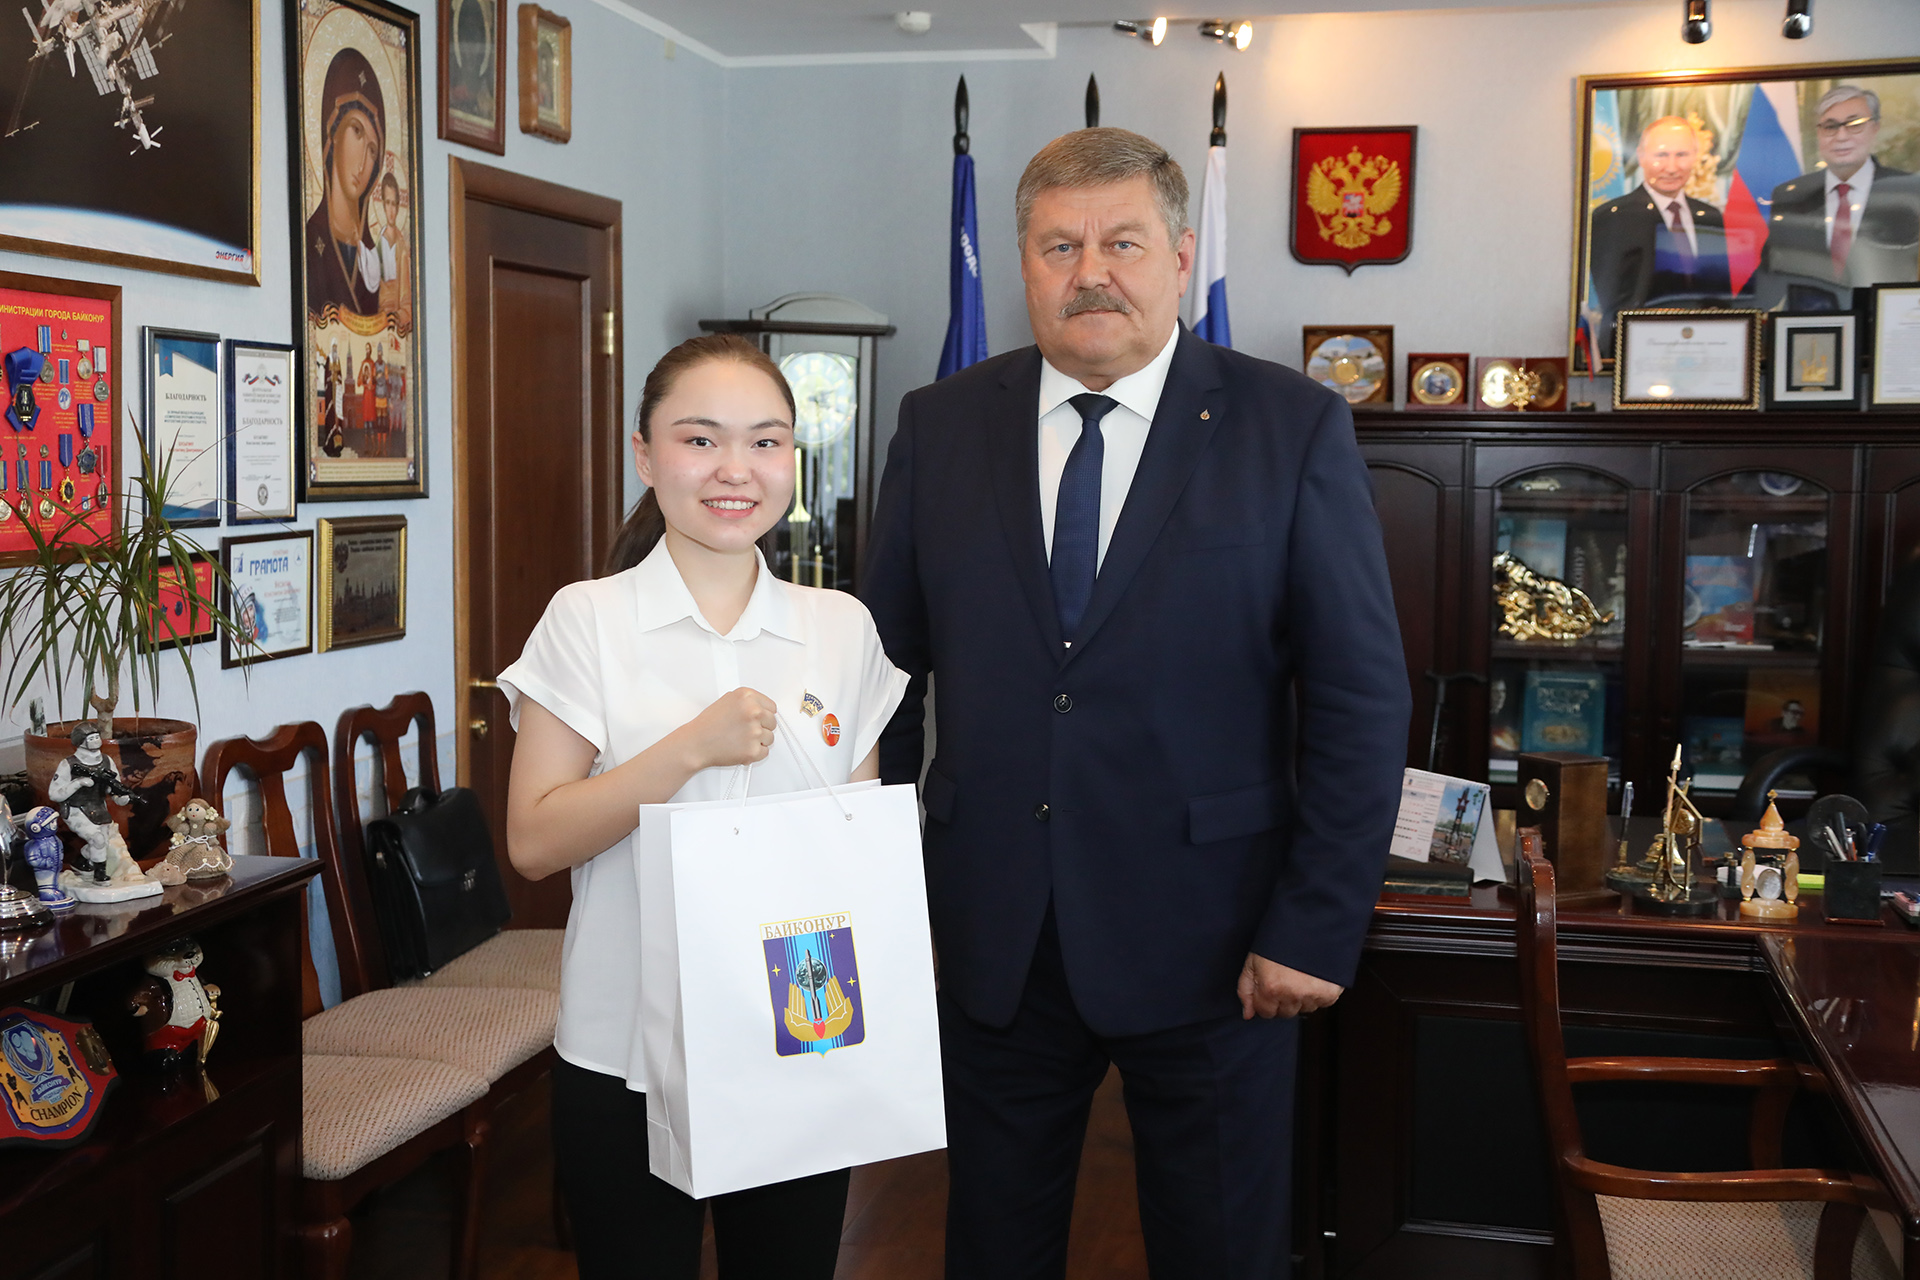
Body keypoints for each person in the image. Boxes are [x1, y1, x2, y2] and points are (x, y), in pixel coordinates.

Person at [860, 128, 1410, 1280]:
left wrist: (1314, 923)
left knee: (1220, 1250)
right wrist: (882, 897)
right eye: (1059, 246)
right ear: (1023, 260)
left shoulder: (1289, 426)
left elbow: (1359, 699)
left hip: (1221, 945)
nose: (1090, 273)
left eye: (1122, 242)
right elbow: (885, 683)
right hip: (993, 936)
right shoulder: (939, 424)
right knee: (992, 1248)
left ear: (1181, 254)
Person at [498, 333, 908, 1280]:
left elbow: (850, 854)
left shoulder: (840, 627)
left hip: (799, 1030)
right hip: (624, 1046)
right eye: (699, 439)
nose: (735, 469)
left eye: (766, 442)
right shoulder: (587, 619)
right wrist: (689, 749)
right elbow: (534, 841)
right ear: (645, 456)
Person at [1758, 85, 1919, 310]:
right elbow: (1773, 275)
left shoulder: (1908, 191)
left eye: (1854, 124)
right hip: (1813, 324)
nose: (1841, 136)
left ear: (1875, 128)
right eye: (1830, 126)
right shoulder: (1791, 195)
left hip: (1888, 321)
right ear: (1818, 133)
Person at [1587, 115, 1735, 356]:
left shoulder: (1710, 217)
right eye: (1661, 155)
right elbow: (1613, 298)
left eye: (1681, 155)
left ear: (1695, 157)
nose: (1672, 167)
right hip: (1636, 349)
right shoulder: (1613, 217)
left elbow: (1718, 293)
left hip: (1703, 349)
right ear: (1641, 156)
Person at [304, 47, 386, 323]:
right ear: (333, 132)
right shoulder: (309, 242)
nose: (363, 163)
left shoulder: (374, 261)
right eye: (356, 130)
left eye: (372, 150)